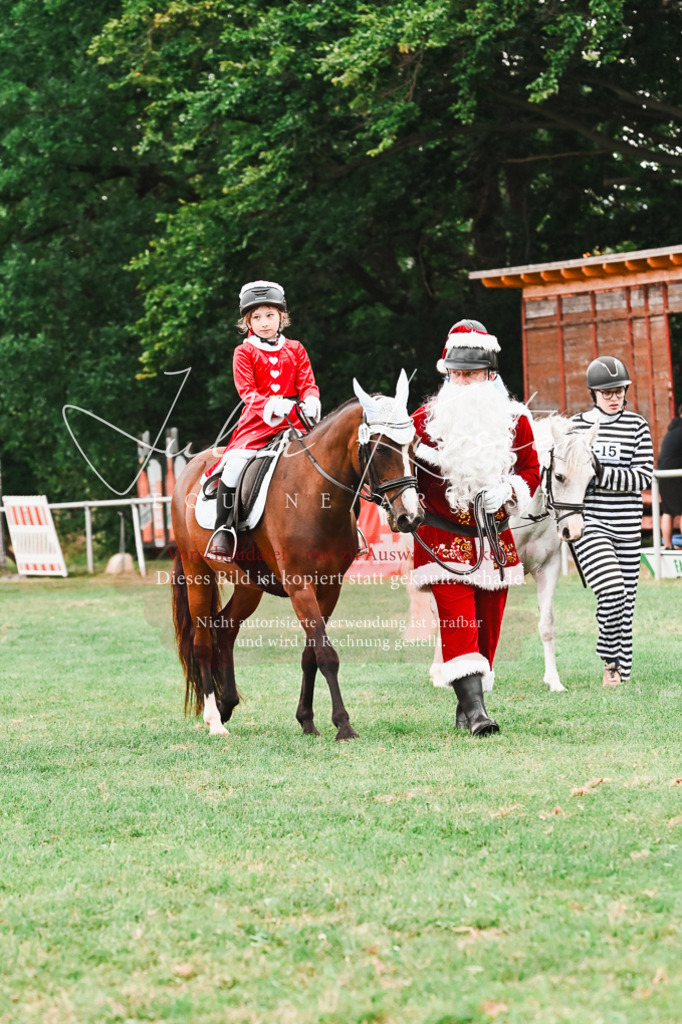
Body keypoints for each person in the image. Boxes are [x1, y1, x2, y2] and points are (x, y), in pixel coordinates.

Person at [411, 319, 541, 736]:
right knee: (458, 623)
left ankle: (468, 705)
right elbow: (398, 471)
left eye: (472, 373)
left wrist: (508, 489)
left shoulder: (515, 420)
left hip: (495, 541)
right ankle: (479, 715)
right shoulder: (422, 422)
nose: (463, 382)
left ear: (490, 374)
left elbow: (531, 470)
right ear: (446, 373)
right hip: (441, 539)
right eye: (456, 374)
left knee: (488, 625)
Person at [205, 280, 321, 560]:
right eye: (256, 317)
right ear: (248, 322)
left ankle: (348, 525)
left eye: (270, 315)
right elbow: (248, 393)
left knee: (327, 459)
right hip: (257, 425)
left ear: (281, 317)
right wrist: (274, 405)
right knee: (233, 467)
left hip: (296, 422)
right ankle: (223, 530)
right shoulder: (244, 352)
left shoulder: (296, 348)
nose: (264, 322)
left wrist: (311, 400)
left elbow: (307, 383)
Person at [570, 356, 653, 686]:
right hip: (591, 524)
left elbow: (643, 477)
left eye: (619, 391)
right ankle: (609, 661)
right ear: (593, 393)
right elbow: (568, 475)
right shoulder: (576, 426)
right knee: (612, 589)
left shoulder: (637, 426)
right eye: (607, 392)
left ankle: (619, 669)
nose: (615, 397)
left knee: (625, 605)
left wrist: (601, 473)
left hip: (628, 527)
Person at [658, 404, 682, 548]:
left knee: (667, 511)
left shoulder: (673, 429)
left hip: (663, 475)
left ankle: (667, 546)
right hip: (674, 475)